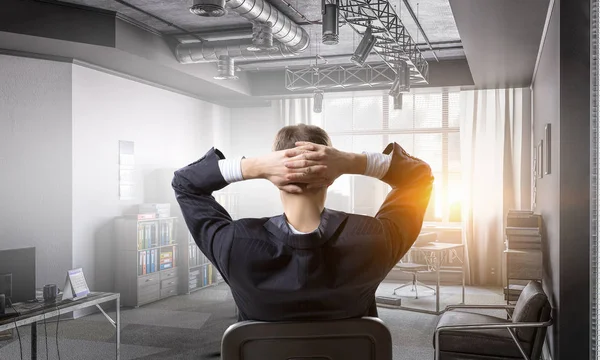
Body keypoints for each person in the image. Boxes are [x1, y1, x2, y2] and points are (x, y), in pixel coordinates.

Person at [172, 124, 433, 321]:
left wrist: (254, 166)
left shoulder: (234, 242)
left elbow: (186, 183)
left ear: (273, 174)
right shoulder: (375, 239)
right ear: (332, 177)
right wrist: (350, 161)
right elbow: (419, 177)